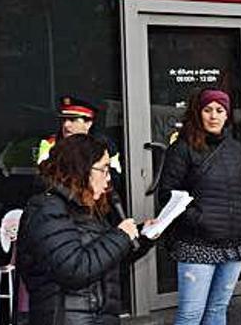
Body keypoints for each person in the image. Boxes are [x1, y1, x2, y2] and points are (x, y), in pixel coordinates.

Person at [17, 134, 153, 325]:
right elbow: (74, 269)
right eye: (104, 170)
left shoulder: (85, 207)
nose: (108, 180)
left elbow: (102, 259)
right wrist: (121, 236)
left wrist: (142, 236)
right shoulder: (46, 209)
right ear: (81, 169)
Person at [158, 88, 241, 325]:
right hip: (197, 244)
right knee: (191, 315)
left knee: (217, 309)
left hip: (234, 243)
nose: (213, 116)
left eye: (219, 110)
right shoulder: (182, 148)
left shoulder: (234, 148)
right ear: (198, 113)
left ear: (227, 115)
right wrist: (201, 220)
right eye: (207, 110)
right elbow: (167, 194)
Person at [37, 95, 121, 173]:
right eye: (64, 120)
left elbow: (114, 178)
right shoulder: (50, 144)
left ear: (88, 123)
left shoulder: (105, 146)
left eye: (73, 120)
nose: (66, 125)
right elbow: (44, 176)